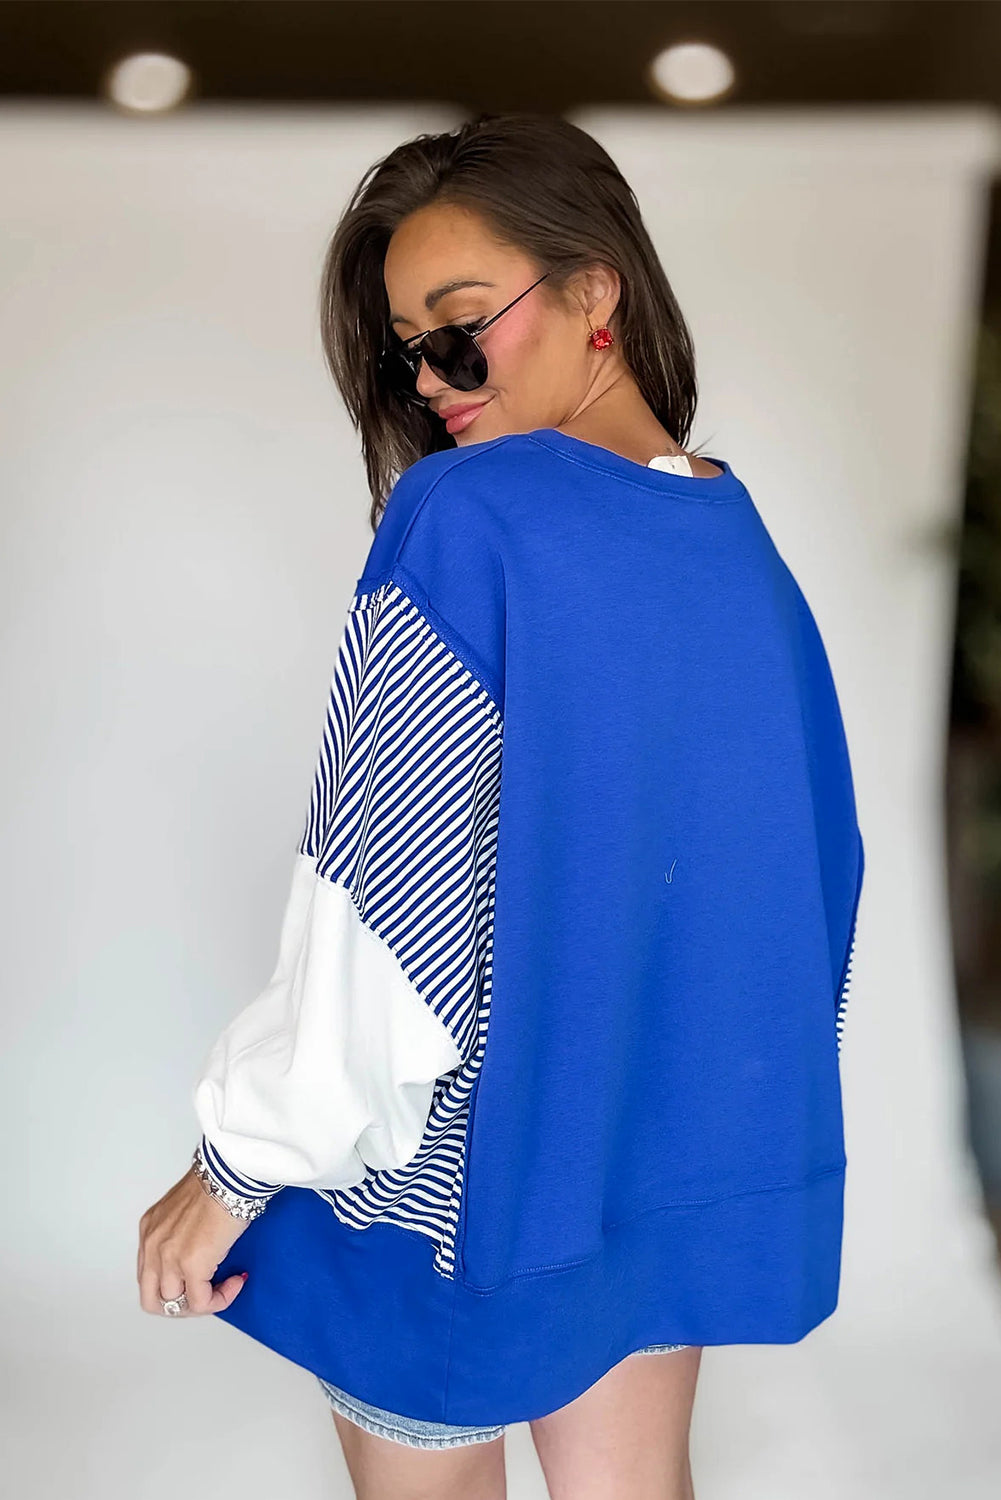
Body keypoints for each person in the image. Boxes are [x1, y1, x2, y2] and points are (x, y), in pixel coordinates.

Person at [136, 112, 864, 1500]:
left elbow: (383, 912)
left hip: (455, 1188)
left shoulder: (467, 517)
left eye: (461, 327)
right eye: (407, 349)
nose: (430, 380)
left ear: (596, 290)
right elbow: (807, 887)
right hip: (643, 1177)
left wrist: (235, 1165)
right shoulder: (735, 538)